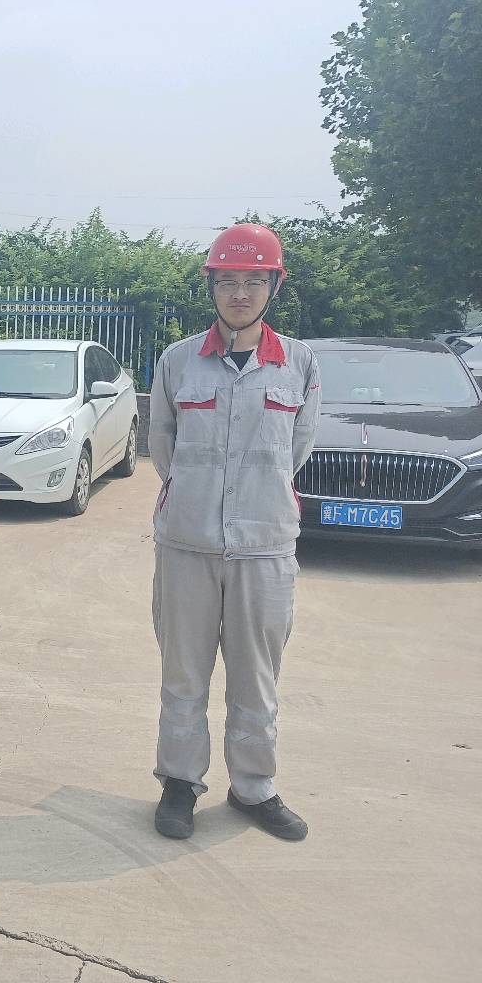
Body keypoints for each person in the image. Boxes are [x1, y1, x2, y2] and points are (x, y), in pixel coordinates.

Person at [147, 223, 321, 841]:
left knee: (257, 678)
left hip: (265, 547)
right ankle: (179, 783)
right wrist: (196, 501)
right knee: (183, 674)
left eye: (253, 281)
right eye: (227, 281)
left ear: (273, 286)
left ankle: (254, 788)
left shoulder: (298, 362)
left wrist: (253, 501)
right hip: (187, 544)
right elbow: (162, 444)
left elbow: (298, 447)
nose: (239, 294)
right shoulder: (177, 361)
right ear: (212, 287)